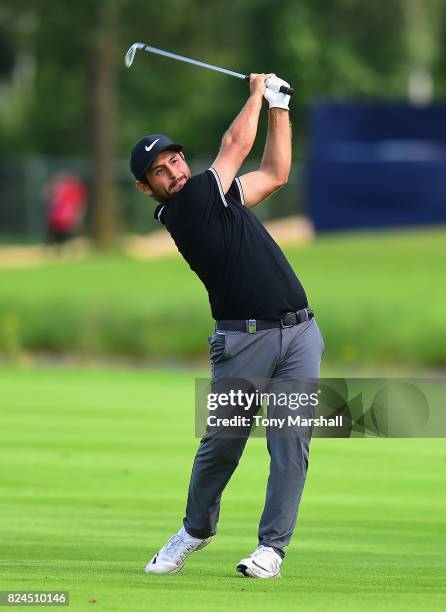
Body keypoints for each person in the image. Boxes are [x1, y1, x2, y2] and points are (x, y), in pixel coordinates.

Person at [130, 73, 324, 578]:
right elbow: (237, 143)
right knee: (222, 445)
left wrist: (281, 107)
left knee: (290, 445)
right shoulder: (186, 208)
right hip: (244, 341)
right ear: (146, 187)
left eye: (173, 159)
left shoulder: (218, 199)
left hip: (300, 334)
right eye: (158, 170)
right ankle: (195, 530)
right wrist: (258, 91)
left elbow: (276, 172)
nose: (171, 170)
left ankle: (271, 550)